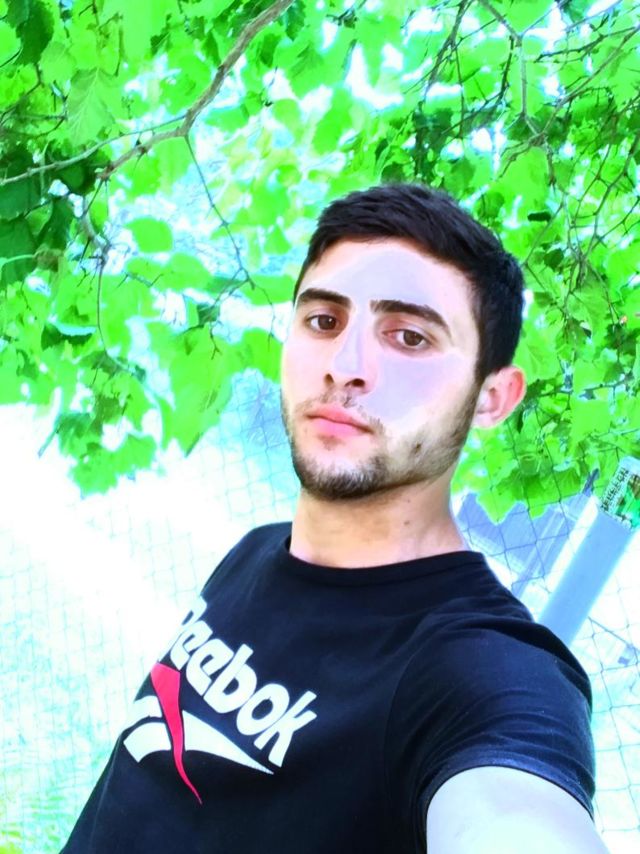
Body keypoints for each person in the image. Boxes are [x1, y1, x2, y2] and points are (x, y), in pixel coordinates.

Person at [62, 184, 607, 853]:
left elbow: (516, 813)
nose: (345, 368)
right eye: (323, 321)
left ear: (492, 397)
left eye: (409, 337)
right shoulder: (257, 552)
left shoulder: (476, 670)